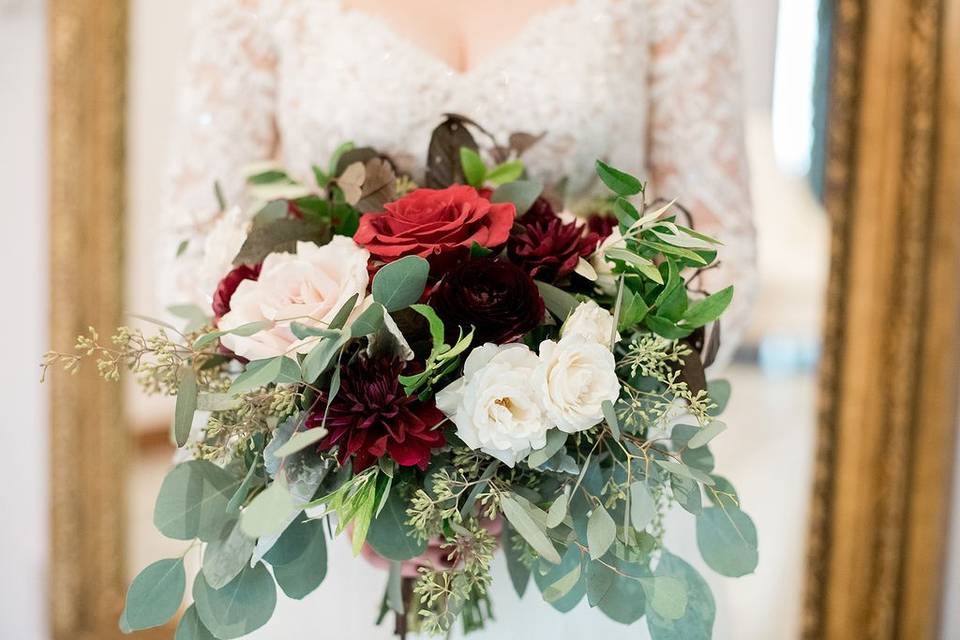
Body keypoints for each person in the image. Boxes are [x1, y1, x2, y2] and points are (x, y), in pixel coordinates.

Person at [159, 1, 757, 636]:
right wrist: (353, 470)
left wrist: (543, 443)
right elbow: (195, 240)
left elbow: (721, 248)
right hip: (327, 478)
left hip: (582, 491)